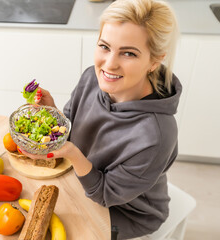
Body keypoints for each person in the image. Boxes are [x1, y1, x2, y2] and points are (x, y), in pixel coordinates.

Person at [20, 0, 181, 239]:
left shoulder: (155, 136)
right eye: (105, 46)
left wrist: (72, 153)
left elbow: (104, 194)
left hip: (128, 211)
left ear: (154, 61)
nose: (110, 64)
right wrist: (52, 113)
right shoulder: (92, 79)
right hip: (84, 179)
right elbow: (72, 126)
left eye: (128, 53)